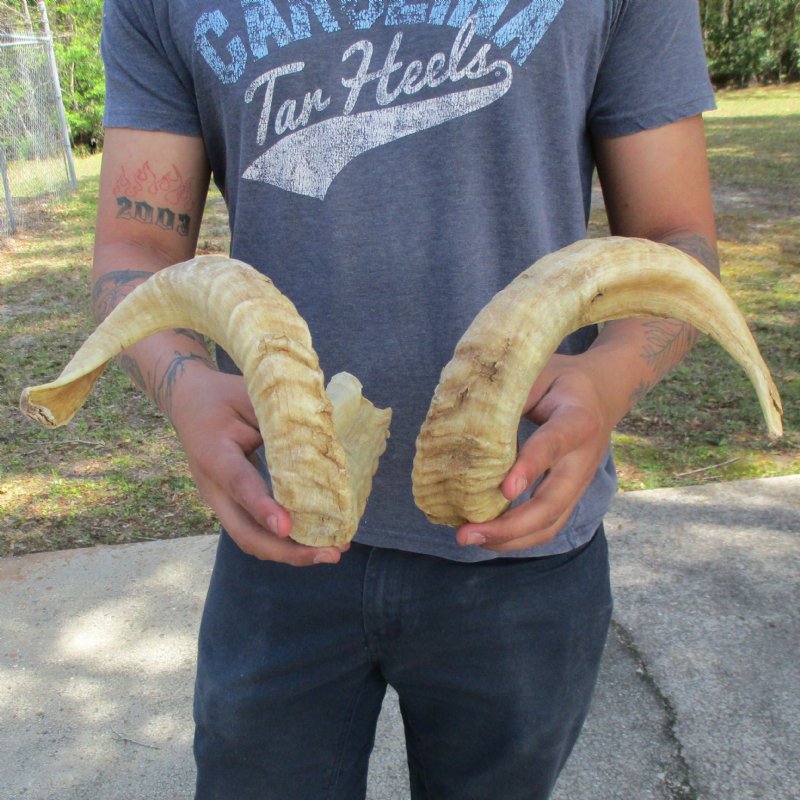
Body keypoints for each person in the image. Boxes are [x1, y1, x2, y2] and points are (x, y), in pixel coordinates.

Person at [94, 1, 719, 797]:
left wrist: (611, 375)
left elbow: (675, 240)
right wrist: (185, 388)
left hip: (520, 535)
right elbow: (137, 248)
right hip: (282, 530)